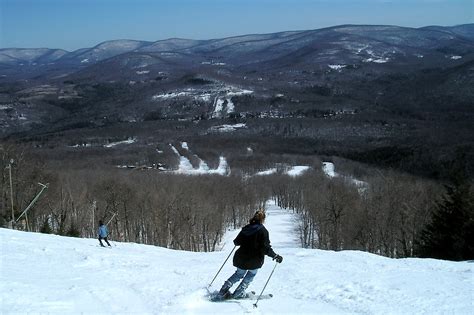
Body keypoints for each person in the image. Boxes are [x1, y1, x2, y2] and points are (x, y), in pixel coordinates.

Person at [217, 210, 283, 299]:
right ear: (263, 219)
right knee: (251, 274)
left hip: (241, 257)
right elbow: (265, 248)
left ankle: (224, 289)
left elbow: (236, 242)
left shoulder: (246, 228)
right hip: (254, 259)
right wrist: (275, 256)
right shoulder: (263, 231)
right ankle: (239, 292)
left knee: (238, 274)